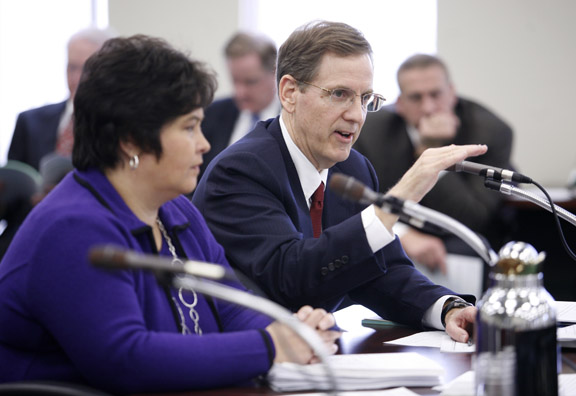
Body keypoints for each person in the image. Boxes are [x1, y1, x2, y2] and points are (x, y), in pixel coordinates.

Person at [0, 35, 340, 394]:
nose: (205, 144)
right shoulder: (72, 228)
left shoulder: (174, 209)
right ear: (131, 139)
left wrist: (292, 331)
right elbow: (126, 359)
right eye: (189, 127)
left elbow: (231, 305)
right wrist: (272, 346)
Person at [193, 21, 484, 344]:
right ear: (290, 93)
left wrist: (447, 308)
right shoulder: (241, 170)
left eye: (365, 99)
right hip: (244, 364)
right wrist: (396, 201)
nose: (357, 115)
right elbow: (291, 279)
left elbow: (384, 273)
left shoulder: (354, 169)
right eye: (340, 95)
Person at [354, 54, 514, 274]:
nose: (428, 107)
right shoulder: (370, 132)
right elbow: (356, 200)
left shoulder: (490, 132)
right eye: (416, 98)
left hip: (461, 238)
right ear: (399, 104)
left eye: (436, 94)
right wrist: (404, 235)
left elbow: (473, 217)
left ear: (452, 93)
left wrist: (431, 151)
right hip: (396, 229)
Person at [8, 27, 115, 170]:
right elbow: (13, 182)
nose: (76, 78)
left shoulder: (118, 127)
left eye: (86, 69)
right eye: (72, 67)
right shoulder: (29, 122)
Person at [200, 31, 280, 176]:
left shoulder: (294, 120)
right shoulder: (211, 114)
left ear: (275, 72)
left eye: (250, 82)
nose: (239, 92)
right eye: (235, 80)